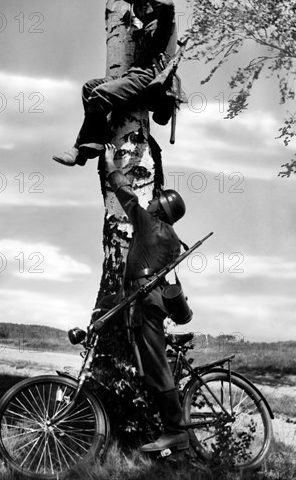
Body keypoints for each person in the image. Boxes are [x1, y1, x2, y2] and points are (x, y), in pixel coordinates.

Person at [104, 143, 189, 453]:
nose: (150, 202)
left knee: (156, 366)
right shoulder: (172, 238)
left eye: (155, 201)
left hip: (145, 304)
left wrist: (113, 168)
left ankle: (175, 431)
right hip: (151, 303)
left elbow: (128, 198)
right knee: (151, 364)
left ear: (161, 209)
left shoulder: (150, 223)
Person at [53, 0, 177, 167]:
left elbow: (166, 5)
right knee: (89, 87)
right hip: (133, 76)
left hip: (149, 78)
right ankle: (95, 142)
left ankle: (77, 148)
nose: (141, 6)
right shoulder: (144, 28)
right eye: (137, 5)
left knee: (100, 94)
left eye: (145, 3)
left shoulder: (164, 23)